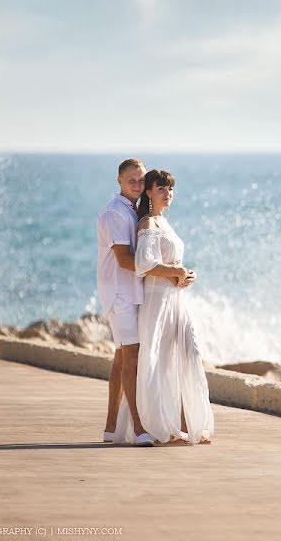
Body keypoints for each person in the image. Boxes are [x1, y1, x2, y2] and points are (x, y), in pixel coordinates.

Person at [113, 168, 215, 445]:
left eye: (170, 189)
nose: (168, 193)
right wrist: (176, 272)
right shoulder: (147, 223)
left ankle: (185, 424)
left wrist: (186, 274)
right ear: (149, 192)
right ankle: (157, 426)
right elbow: (143, 265)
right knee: (157, 361)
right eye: (161, 188)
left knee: (188, 354)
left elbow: (172, 265)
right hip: (157, 301)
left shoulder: (165, 223)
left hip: (175, 299)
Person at [96, 158, 155, 447]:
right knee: (131, 358)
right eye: (131, 179)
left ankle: (111, 429)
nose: (137, 184)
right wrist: (165, 273)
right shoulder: (114, 214)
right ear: (119, 180)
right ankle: (139, 427)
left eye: (141, 180)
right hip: (119, 294)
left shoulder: (135, 211)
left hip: (131, 292)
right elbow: (123, 260)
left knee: (121, 360)